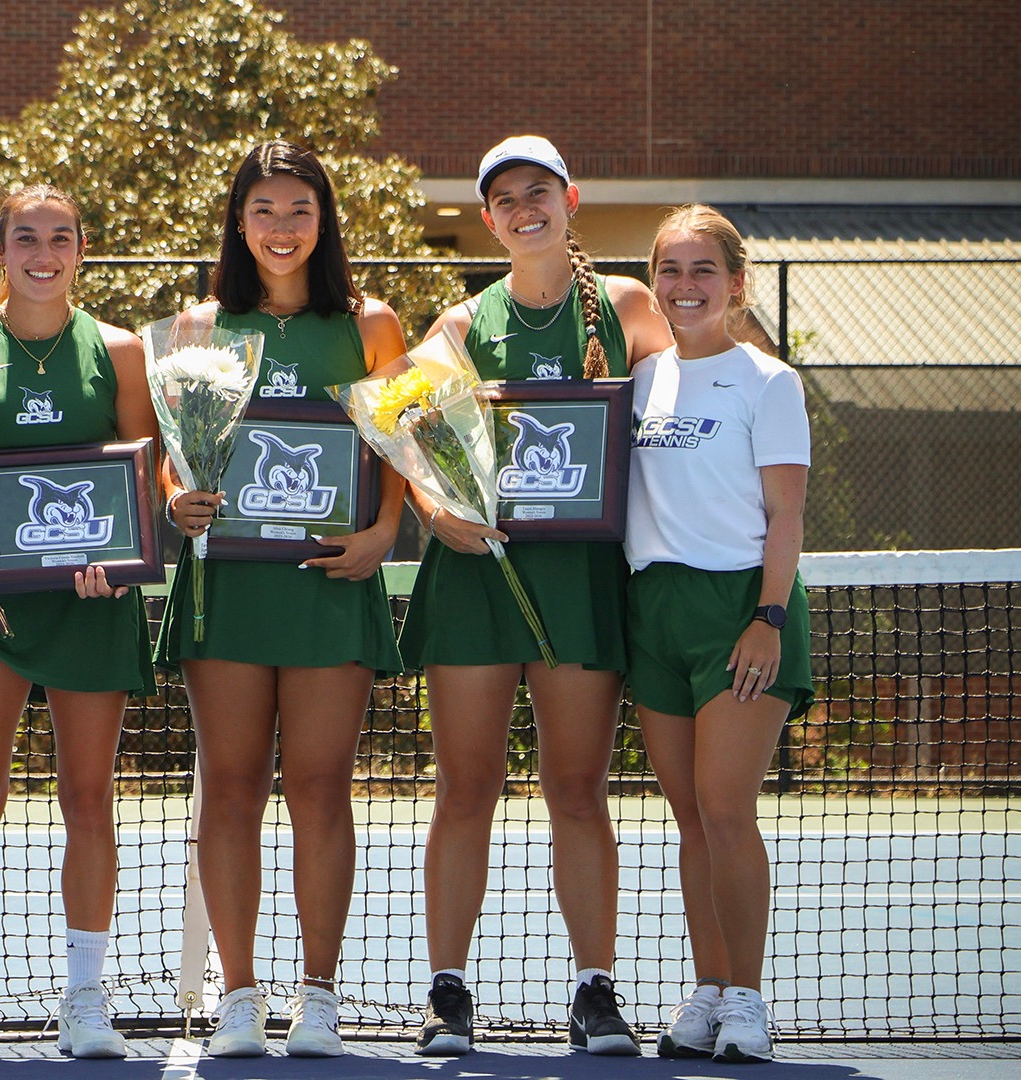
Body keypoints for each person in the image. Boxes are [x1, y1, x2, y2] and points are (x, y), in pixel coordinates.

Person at [400, 135, 673, 1057]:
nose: (525, 210)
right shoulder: (457, 325)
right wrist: (436, 510)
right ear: (488, 218)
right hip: (476, 582)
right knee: (465, 787)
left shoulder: (629, 306)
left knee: (577, 789)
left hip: (581, 581)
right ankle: (448, 993)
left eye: (540, 193)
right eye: (506, 199)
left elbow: (683, 415)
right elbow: (412, 439)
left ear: (572, 201)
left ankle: (595, 991)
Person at [157, 140, 408, 1058]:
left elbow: (401, 449)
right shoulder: (197, 326)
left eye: (299, 210)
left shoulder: (371, 324)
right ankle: (237, 996)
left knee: (319, 789)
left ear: (324, 220)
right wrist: (175, 501)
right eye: (264, 209)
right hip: (227, 587)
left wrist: (384, 534)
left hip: (330, 588)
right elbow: (171, 461)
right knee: (228, 787)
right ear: (238, 219)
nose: (281, 228)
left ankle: (319, 996)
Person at [0, 185, 158, 1061]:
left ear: (83, 249)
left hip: (91, 608)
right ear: (0, 248)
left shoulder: (121, 352)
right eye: (27, 237)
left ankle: (87, 1000)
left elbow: (143, 482)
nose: (44, 252)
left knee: (88, 800)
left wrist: (119, 559)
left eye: (61, 237)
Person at [628, 204, 813, 1064]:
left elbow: (785, 513)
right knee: (690, 818)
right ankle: (708, 986)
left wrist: (767, 618)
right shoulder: (639, 381)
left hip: (742, 612)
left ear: (736, 284)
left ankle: (747, 1000)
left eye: (705, 271)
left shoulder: (768, 382)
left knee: (728, 810)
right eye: (671, 269)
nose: (686, 286)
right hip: (653, 613)